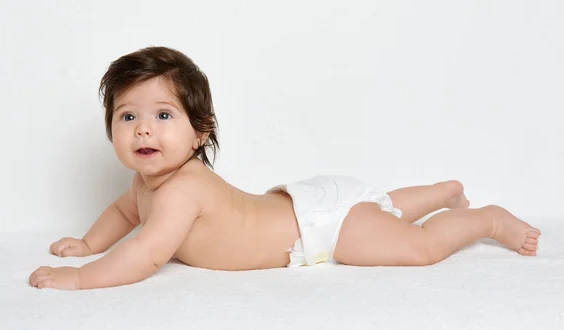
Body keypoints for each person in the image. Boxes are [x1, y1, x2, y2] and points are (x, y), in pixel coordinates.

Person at [29, 46, 541, 290]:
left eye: (163, 115)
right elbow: (123, 214)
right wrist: (91, 242)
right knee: (379, 209)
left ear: (200, 131)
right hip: (310, 203)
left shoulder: (183, 189)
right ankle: (441, 190)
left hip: (322, 230)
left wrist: (81, 279)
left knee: (417, 247)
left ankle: (485, 218)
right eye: (128, 116)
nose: (143, 129)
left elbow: (144, 253)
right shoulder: (146, 184)